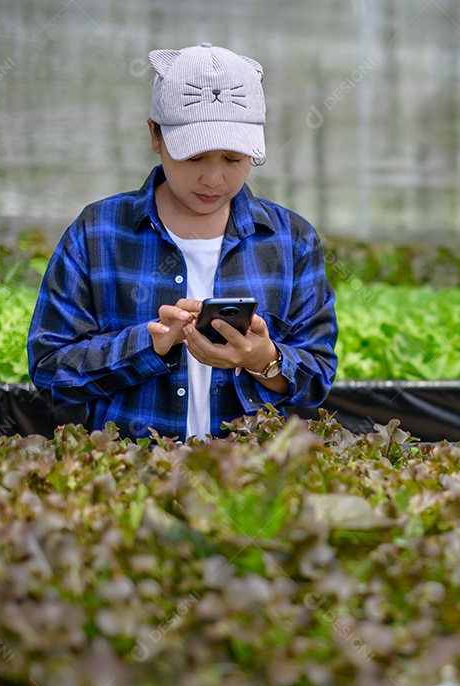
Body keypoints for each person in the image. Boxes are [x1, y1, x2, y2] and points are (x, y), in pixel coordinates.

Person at [28, 43, 337, 441]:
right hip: (132, 480)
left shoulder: (290, 240)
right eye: (193, 158)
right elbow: (50, 370)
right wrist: (145, 347)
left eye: (233, 159)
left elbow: (318, 378)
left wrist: (266, 361)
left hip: (247, 482)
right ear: (155, 135)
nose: (213, 179)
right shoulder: (99, 232)